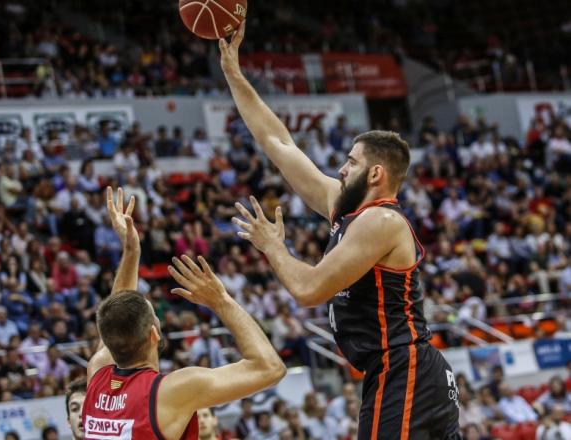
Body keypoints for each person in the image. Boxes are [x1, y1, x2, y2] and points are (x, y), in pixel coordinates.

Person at [220, 23, 460, 439]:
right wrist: (235, 76)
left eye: (351, 162)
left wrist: (273, 246)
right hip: (397, 371)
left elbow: (309, 290)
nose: (341, 168)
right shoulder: (348, 210)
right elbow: (279, 144)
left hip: (404, 368)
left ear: (375, 173)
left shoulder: (381, 221)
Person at [82, 188, 285, 439]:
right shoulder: (170, 392)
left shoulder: (97, 377)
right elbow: (270, 368)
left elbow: (117, 315)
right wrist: (221, 301)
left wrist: (131, 251)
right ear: (154, 335)